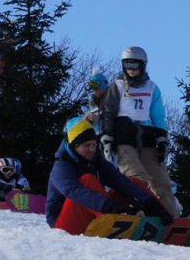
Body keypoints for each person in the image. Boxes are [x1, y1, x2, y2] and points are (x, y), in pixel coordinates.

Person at [47, 116, 168, 235]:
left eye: (94, 145)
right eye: (87, 145)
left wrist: (149, 201)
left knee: (132, 181)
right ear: (75, 146)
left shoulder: (96, 160)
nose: (92, 149)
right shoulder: (61, 166)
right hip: (63, 225)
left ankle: (162, 216)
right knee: (87, 180)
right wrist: (110, 207)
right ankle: (114, 220)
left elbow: (120, 181)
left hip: (94, 213)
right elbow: (74, 191)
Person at [100, 47, 182, 217]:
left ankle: (169, 215)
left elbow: (158, 116)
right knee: (137, 177)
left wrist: (162, 138)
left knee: (160, 179)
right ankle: (139, 213)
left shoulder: (152, 88)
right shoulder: (118, 86)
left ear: (143, 65)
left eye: (135, 64)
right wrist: (107, 136)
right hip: (124, 136)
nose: (131, 68)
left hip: (146, 136)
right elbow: (108, 112)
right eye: (127, 64)